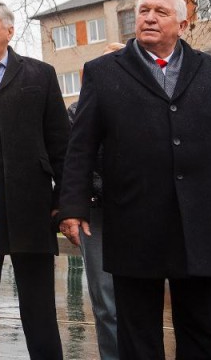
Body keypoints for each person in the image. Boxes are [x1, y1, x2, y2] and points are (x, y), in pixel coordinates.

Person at [58, 0, 211, 360]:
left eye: (160, 11)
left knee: (200, 327)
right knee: (137, 330)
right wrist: (72, 207)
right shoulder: (103, 72)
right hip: (135, 220)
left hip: (203, 222)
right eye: (143, 10)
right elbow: (80, 146)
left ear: (183, 23)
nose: (148, 17)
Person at [0, 0, 69, 360]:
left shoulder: (40, 74)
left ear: (9, 31)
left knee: (40, 311)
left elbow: (61, 144)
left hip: (33, 206)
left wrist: (66, 203)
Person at [70, 41, 125, 360]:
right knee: (105, 300)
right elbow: (76, 162)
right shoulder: (77, 111)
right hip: (97, 214)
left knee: (138, 299)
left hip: (137, 212)